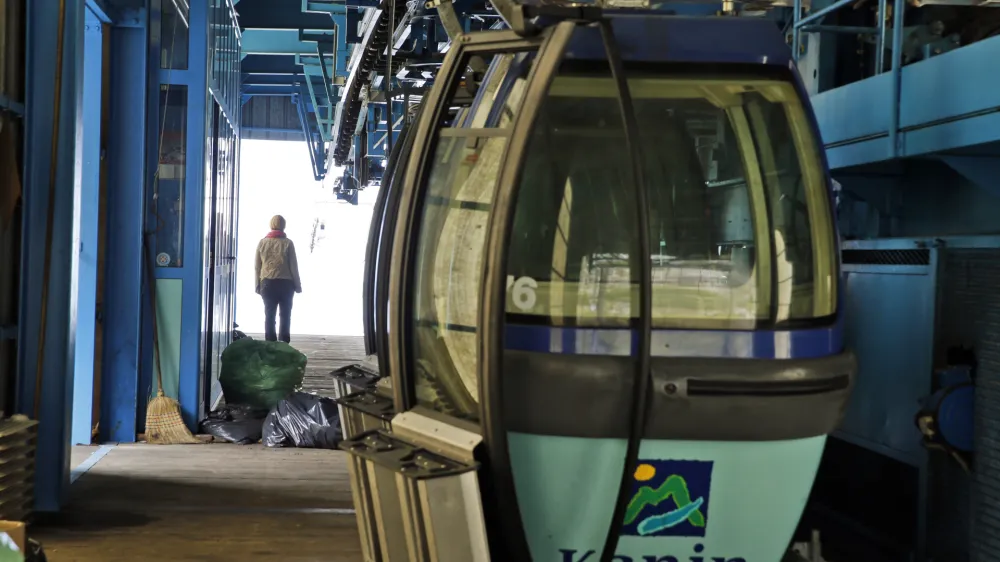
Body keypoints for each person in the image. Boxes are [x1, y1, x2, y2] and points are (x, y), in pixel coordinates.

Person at [255, 215, 302, 343]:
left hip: (267, 283)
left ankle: (270, 343)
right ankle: (284, 343)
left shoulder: (262, 243)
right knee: (285, 315)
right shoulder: (288, 243)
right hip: (286, 284)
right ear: (283, 226)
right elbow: (293, 266)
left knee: (269, 315)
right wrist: (297, 285)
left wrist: (257, 285)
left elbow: (257, 267)